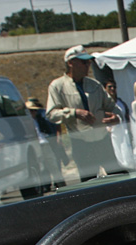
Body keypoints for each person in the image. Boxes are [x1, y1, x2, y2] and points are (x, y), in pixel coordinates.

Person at [45, 45, 121, 182]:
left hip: (103, 141)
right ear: (70, 63)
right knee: (89, 183)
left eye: (89, 62)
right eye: (84, 62)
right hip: (81, 143)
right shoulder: (57, 86)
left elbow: (113, 107)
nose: (88, 65)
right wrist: (74, 112)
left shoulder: (95, 85)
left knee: (118, 177)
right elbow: (51, 114)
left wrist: (116, 117)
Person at [24, 97, 65, 191]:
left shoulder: (41, 118)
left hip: (44, 143)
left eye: (33, 111)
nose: (32, 113)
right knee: (41, 166)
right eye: (31, 111)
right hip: (35, 144)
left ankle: (60, 184)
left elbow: (53, 127)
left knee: (52, 164)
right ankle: (45, 185)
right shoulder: (28, 122)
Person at [104, 78, 134, 171]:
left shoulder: (120, 103)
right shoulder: (104, 104)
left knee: (127, 156)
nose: (112, 89)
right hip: (112, 135)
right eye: (110, 87)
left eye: (114, 87)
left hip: (124, 133)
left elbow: (126, 117)